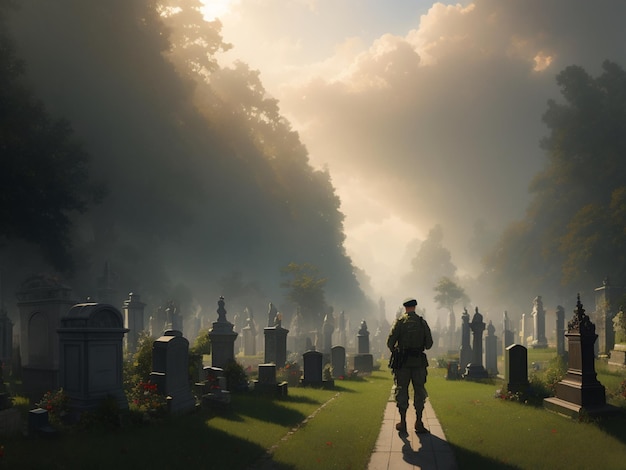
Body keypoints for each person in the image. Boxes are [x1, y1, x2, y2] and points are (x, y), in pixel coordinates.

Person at [387, 297, 433, 433]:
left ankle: (403, 422)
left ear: (405, 308)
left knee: (401, 390)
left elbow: (390, 342)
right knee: (419, 391)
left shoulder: (400, 322)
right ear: (415, 307)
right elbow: (429, 344)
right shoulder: (421, 322)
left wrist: (397, 350)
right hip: (418, 362)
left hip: (402, 363)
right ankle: (419, 422)